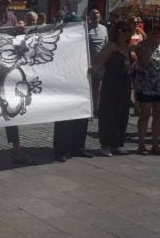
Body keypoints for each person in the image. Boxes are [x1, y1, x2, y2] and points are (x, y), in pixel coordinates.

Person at [0, 0, 37, 165]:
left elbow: (18, 42)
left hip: (9, 70)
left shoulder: (13, 18)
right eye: (0, 4)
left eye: (6, 4)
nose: (3, 7)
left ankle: (16, 150)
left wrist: (21, 29)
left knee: (12, 111)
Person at [52, 13, 92, 162]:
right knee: (64, 118)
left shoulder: (83, 40)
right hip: (65, 82)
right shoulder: (61, 40)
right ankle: (61, 150)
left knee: (81, 116)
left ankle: (78, 147)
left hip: (81, 81)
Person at [135, 17, 160, 155]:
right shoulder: (142, 45)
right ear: (147, 30)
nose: (156, 31)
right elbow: (144, 62)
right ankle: (141, 144)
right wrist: (150, 45)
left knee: (158, 115)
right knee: (145, 114)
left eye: (159, 28)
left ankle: (155, 143)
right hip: (146, 84)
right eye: (153, 28)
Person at [97, 20, 134, 156]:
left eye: (128, 30)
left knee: (123, 112)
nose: (126, 33)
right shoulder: (111, 45)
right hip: (111, 83)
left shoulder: (128, 47)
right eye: (123, 30)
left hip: (125, 83)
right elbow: (98, 61)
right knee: (109, 113)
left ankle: (117, 143)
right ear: (116, 32)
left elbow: (129, 65)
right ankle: (105, 144)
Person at [87, 9, 108, 116]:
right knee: (91, 87)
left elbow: (107, 45)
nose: (95, 15)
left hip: (101, 63)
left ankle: (97, 107)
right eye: (93, 13)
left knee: (98, 87)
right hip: (89, 64)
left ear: (100, 16)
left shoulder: (104, 29)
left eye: (97, 13)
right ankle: (91, 107)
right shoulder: (85, 29)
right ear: (89, 16)